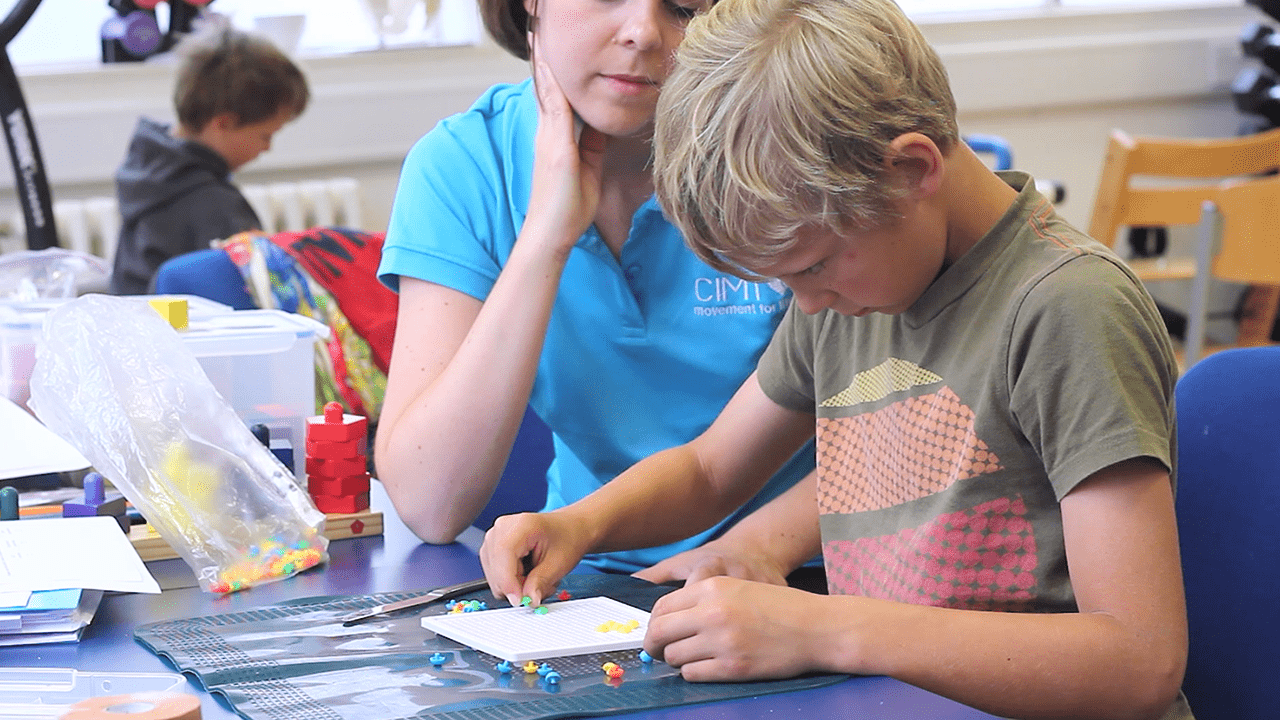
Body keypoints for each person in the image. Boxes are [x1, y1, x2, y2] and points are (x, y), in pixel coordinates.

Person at [479, 0, 1193, 718]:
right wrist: (580, 524)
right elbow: (711, 469)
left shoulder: (1068, 308)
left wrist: (825, 630)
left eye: (812, 268)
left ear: (912, 170)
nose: (806, 305)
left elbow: (1138, 661)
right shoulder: (855, 287)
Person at [374, 0, 815, 574]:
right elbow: (431, 504)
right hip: (583, 567)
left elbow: (903, 429)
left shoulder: (792, 151)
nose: (642, 34)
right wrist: (544, 241)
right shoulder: (464, 162)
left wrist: (752, 552)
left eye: (684, 8)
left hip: (804, 567)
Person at [109, 22, 309, 295]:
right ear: (223, 124)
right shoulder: (216, 206)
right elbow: (258, 293)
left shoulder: (146, 173)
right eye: (265, 135)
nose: (267, 148)